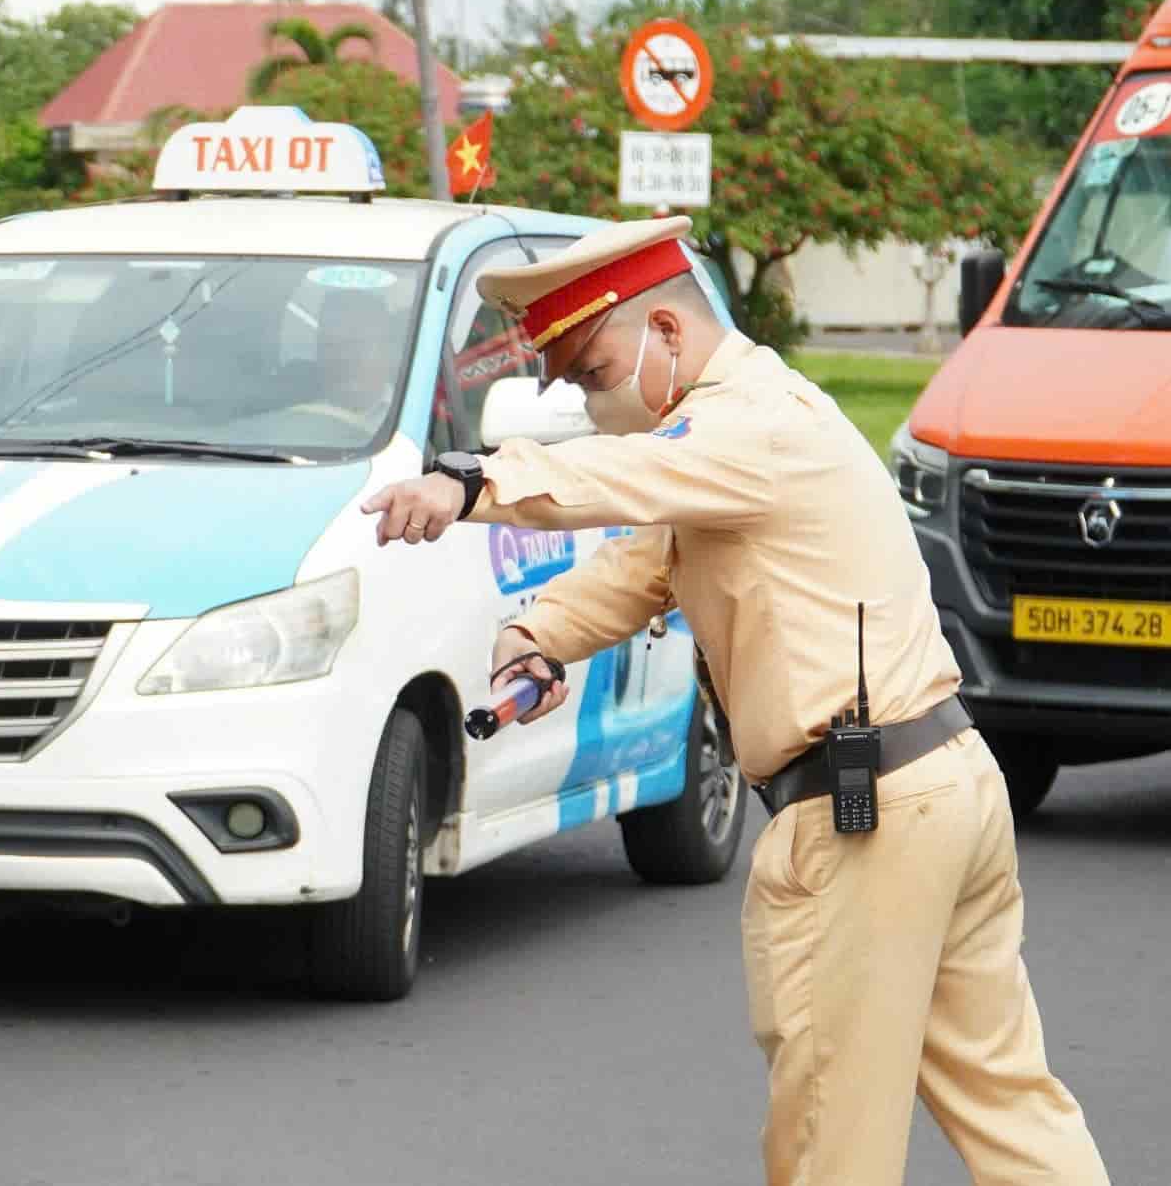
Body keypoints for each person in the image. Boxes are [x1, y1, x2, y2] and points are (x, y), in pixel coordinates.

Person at [360, 216, 1108, 1186]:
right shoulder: (754, 427)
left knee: (828, 1134)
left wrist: (474, 481)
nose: (589, 406)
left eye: (592, 373)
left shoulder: (747, 426)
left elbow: (629, 482)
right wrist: (538, 639)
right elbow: (654, 561)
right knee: (1007, 1105)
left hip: (863, 814)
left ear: (667, 334)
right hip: (933, 784)